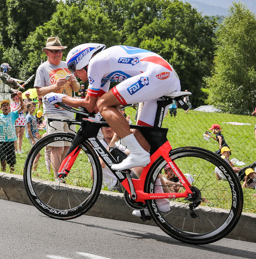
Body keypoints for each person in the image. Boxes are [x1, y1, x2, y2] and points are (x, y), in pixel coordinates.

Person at [58, 43, 180, 171]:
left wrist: (60, 98)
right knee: (141, 141)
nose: (74, 74)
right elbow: (94, 108)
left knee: (104, 104)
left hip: (158, 75)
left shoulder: (95, 63)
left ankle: (137, 153)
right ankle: (141, 189)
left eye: (73, 68)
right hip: (166, 78)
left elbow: (91, 104)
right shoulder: (103, 71)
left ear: (82, 61)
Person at [34, 36, 82, 178]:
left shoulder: (68, 66)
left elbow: (77, 89)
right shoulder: (43, 68)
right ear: (47, 52)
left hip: (69, 110)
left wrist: (73, 82)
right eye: (54, 51)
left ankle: (63, 174)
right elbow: (38, 92)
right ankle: (57, 178)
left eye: (60, 51)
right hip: (53, 111)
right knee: (57, 146)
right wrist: (55, 86)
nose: (57, 54)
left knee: (68, 146)